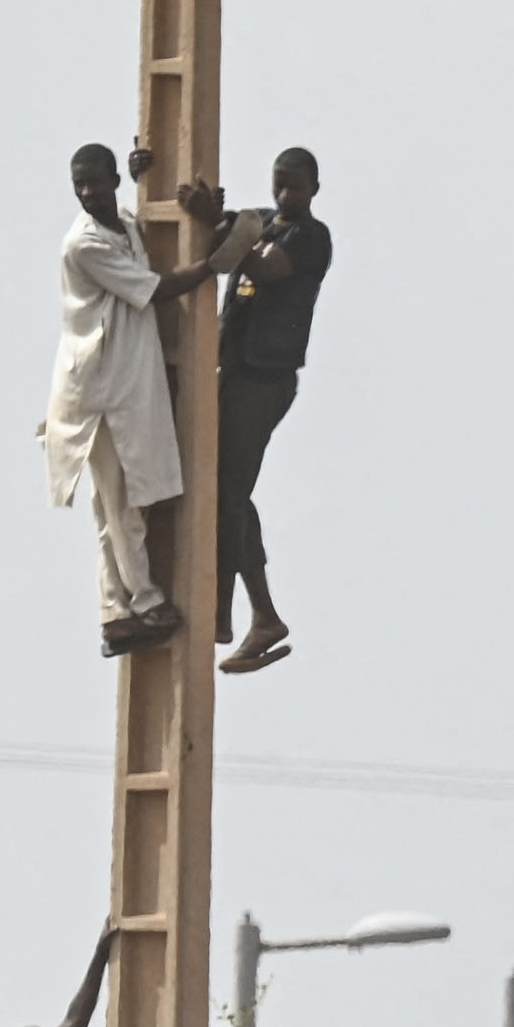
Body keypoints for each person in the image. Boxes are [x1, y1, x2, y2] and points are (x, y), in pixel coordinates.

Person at [40, 142, 252, 656]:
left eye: (96, 182)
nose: (87, 193)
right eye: (79, 185)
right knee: (121, 503)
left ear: (113, 180)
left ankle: (116, 612)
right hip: (98, 393)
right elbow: (155, 288)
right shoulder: (82, 245)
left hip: (124, 382)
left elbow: (134, 229)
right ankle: (144, 600)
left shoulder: (122, 225)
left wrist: (142, 179)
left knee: (118, 504)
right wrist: (214, 266)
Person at [213, 145, 331, 671]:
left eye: (296, 186)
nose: (285, 194)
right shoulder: (257, 220)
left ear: (314, 188)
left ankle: (238, 612)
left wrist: (224, 232)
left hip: (266, 380)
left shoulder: (310, 238)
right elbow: (220, 231)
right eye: (279, 183)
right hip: (232, 372)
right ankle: (252, 612)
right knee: (225, 491)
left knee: (229, 493)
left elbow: (260, 262)